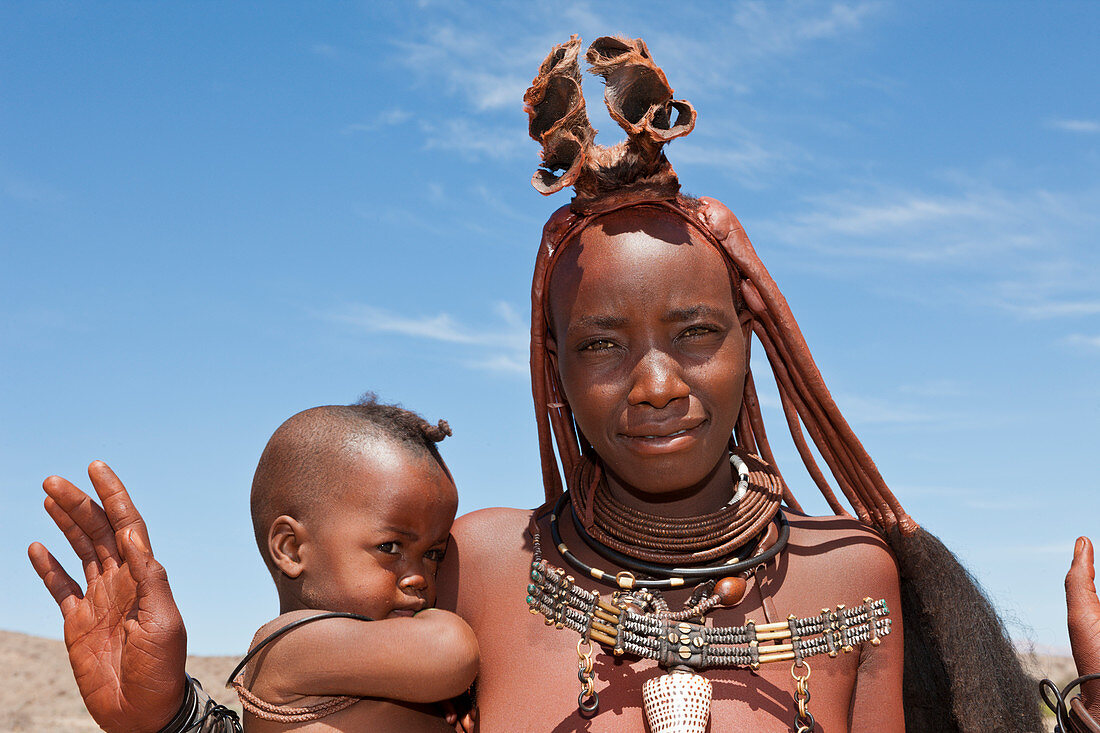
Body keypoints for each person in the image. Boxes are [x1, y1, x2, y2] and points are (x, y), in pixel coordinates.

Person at [32, 35, 1040, 732]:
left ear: (751, 341)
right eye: (600, 343)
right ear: (554, 370)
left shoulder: (852, 574)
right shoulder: (472, 563)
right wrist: (168, 719)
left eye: (695, 332)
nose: (653, 382)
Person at [29, 396, 478, 733]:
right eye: (391, 547)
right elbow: (450, 652)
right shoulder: (290, 645)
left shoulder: (379, 660)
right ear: (290, 549)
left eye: (434, 554)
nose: (419, 577)